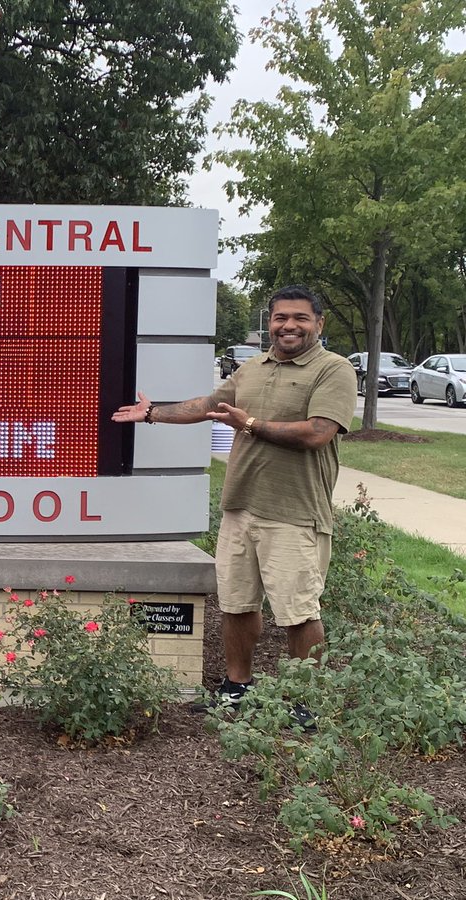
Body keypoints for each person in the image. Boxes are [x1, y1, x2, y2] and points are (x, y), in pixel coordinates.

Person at [112, 285, 356, 719]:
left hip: (295, 513)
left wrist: (252, 423)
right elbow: (209, 405)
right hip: (241, 507)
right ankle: (236, 687)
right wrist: (152, 414)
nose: (289, 326)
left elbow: (318, 432)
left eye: (300, 318)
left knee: (298, 612)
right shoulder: (252, 368)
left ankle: (307, 702)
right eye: (281, 317)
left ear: (319, 323)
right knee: (237, 604)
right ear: (270, 323)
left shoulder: (332, 369)